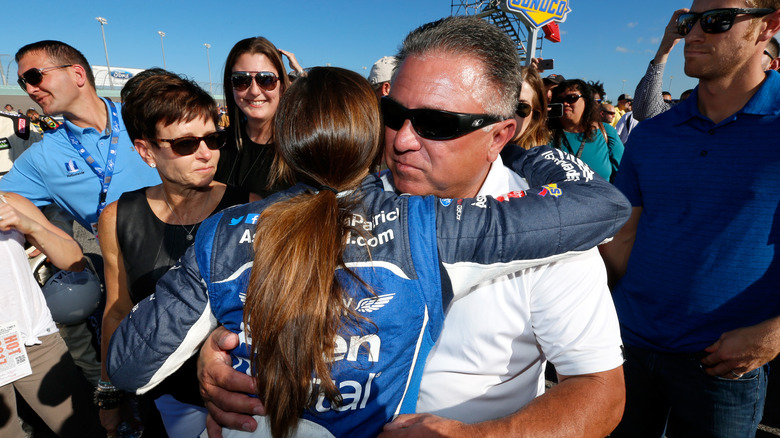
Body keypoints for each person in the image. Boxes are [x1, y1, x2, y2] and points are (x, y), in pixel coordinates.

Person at [107, 63, 628, 438]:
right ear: (374, 132)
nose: (405, 136)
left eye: (436, 122)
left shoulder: (222, 231)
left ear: (286, 140)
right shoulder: (419, 222)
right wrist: (519, 149)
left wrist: (223, 337)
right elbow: (601, 205)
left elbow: (127, 367)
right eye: (394, 115)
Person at [601, 2, 780, 437]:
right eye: (687, 22)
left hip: (724, 367)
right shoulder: (653, 132)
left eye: (716, 20)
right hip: (628, 348)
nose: (694, 34)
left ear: (767, 27)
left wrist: (774, 334)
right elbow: (621, 238)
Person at [97, 69, 255, 437]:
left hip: (239, 401)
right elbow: (116, 310)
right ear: (146, 151)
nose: (205, 153)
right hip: (164, 398)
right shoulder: (118, 216)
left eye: (213, 139)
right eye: (185, 144)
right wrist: (109, 395)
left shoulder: (250, 209)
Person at [0, 191, 103, 438]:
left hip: (35, 340)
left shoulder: (7, 201)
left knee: (82, 430)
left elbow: (74, 261)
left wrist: (30, 227)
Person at [213, 37, 294, 197]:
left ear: (282, 85)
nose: (254, 91)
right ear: (230, 86)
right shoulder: (215, 146)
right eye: (241, 80)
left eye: (266, 79)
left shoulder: (302, 150)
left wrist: (302, 76)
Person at [548, 79, 625, 182]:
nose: (565, 103)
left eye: (571, 98)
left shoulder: (607, 132)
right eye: (559, 99)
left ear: (586, 101)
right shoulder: (545, 134)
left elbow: (623, 176)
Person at [511, 65, 551, 149]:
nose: (510, 114)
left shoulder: (544, 160)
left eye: (521, 106)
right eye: (504, 104)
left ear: (535, 115)